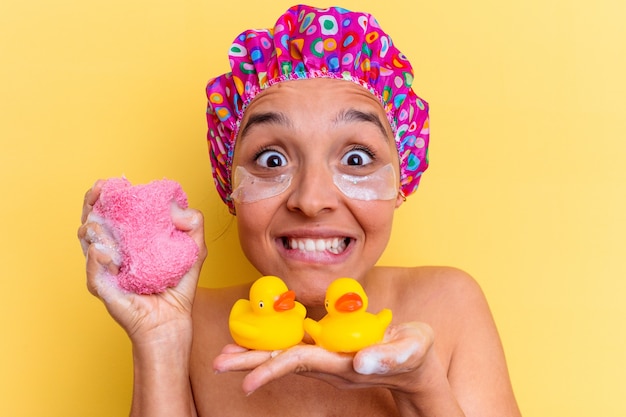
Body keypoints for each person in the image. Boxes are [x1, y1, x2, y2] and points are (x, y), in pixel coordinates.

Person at [78, 4, 521, 417]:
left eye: (356, 159)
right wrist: (161, 342)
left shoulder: (449, 305)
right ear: (229, 187)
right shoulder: (190, 326)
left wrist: (422, 387)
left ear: (402, 181)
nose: (311, 200)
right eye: (272, 160)